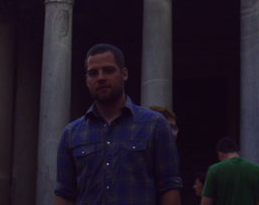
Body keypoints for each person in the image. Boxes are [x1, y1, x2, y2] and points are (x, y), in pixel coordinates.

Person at [54, 43, 183, 205]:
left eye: (108, 70)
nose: (100, 78)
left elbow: (169, 187)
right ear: (87, 80)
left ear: (124, 74)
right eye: (93, 73)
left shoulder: (155, 125)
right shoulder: (71, 134)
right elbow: (65, 193)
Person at [201, 137, 259, 205]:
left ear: (220, 154)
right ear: (239, 153)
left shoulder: (214, 170)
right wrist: (258, 195)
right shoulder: (257, 169)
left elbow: (205, 203)